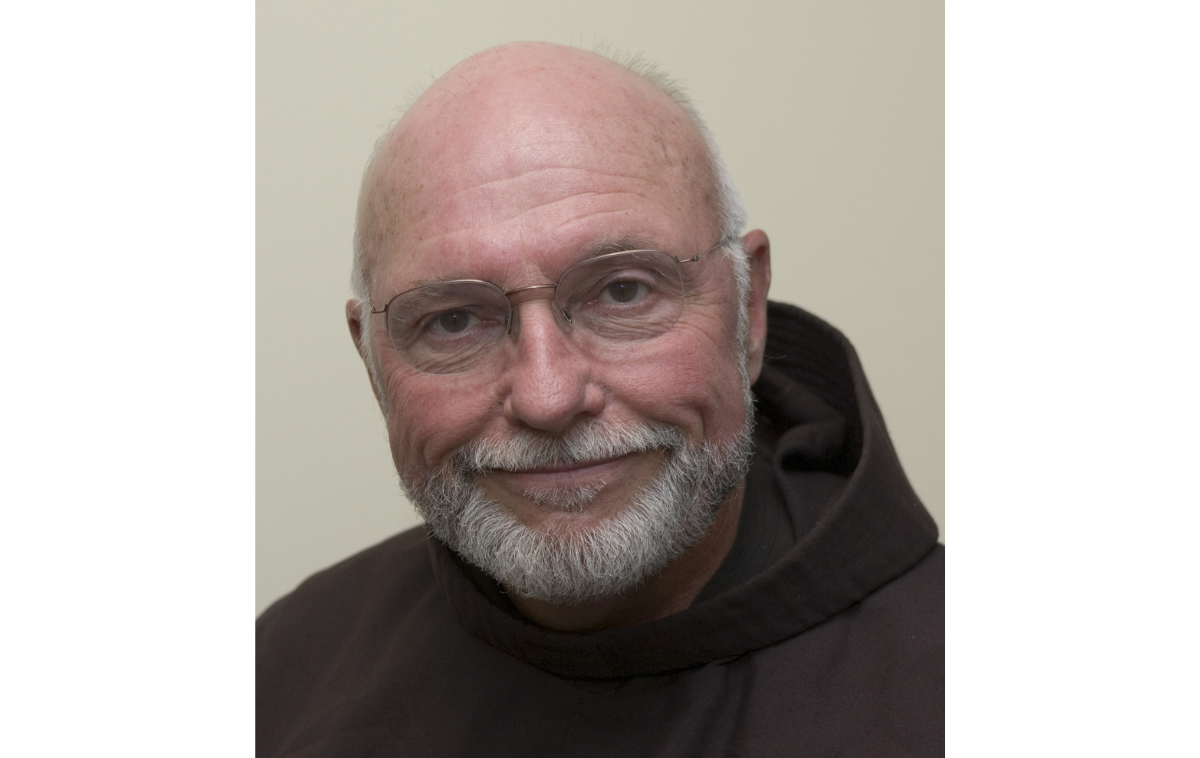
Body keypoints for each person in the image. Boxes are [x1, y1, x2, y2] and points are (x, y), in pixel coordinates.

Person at [257, 42, 943, 757]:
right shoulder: (284, 673)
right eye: (454, 320)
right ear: (373, 363)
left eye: (623, 291)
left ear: (750, 313)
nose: (548, 398)